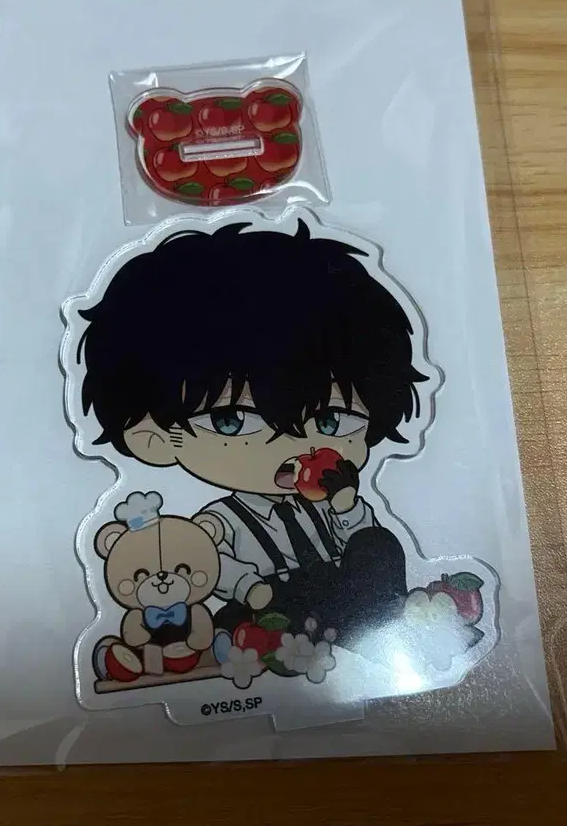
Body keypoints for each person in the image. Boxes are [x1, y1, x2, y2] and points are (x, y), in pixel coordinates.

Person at [75, 219, 430, 656]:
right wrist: (247, 586)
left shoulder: (325, 500)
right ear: (153, 437)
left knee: (376, 545)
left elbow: (358, 547)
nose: (294, 448)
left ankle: (387, 631)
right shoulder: (219, 521)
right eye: (231, 421)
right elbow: (210, 563)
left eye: (331, 421)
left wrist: (346, 507)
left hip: (338, 595)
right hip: (270, 607)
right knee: (259, 614)